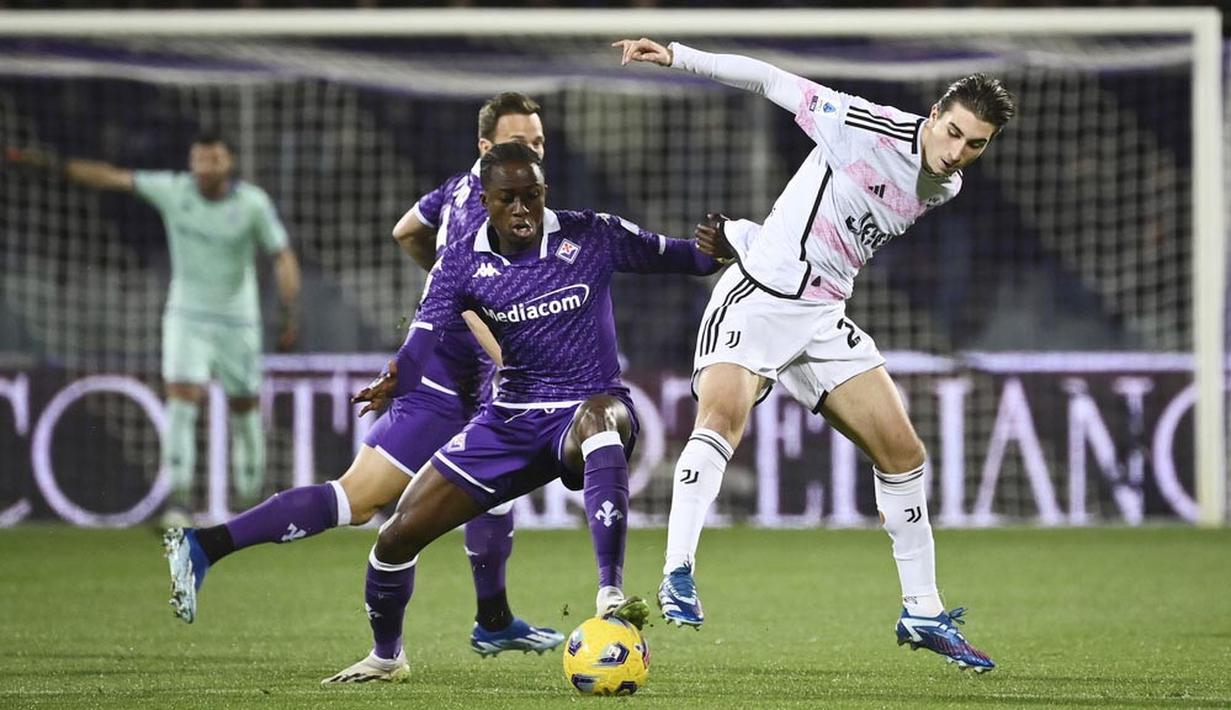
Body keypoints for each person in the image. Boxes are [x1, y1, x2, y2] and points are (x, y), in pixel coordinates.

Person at [614, 37, 1016, 672]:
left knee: (904, 454)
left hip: (822, 318)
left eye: (975, 145)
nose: (958, 152)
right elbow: (772, 80)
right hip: (759, 296)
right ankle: (677, 573)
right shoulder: (862, 126)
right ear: (935, 115)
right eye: (955, 133)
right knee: (722, 420)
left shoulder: (948, 187)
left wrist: (747, 233)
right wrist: (677, 56)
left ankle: (922, 610)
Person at [161, 93, 565, 658]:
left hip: (463, 387)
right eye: (517, 142)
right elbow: (472, 308)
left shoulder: (463, 188)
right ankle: (204, 545)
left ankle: (494, 621)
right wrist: (521, 362)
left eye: (539, 142)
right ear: (485, 147)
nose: (531, 150)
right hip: (441, 388)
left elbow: (406, 230)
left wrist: (442, 277)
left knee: (496, 494)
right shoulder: (484, 208)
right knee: (355, 503)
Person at [322, 142, 727, 684]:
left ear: (544, 194)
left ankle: (610, 592)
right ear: (485, 200)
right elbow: (423, 338)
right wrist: (397, 376)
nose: (521, 209)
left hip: (585, 408)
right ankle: (386, 657)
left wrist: (721, 246)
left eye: (531, 196)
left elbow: (687, 258)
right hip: (508, 420)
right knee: (395, 537)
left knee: (601, 419)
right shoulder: (461, 260)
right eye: (508, 198)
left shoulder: (591, 235)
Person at [3, 135, 301, 523]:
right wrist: (58, 166)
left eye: (213, 159)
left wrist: (291, 311)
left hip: (238, 321)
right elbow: (113, 178)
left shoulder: (252, 203)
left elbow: (282, 255)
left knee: (244, 406)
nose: (205, 167)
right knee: (182, 400)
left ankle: (252, 500)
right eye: (199, 159)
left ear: (228, 163)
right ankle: (178, 502)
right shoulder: (174, 190)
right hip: (186, 316)